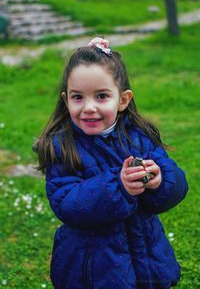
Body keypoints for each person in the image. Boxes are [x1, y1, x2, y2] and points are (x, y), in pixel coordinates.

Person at [34, 37, 188, 289]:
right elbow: (67, 204)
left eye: (102, 96)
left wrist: (160, 181)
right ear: (66, 100)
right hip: (94, 266)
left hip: (146, 255)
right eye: (78, 97)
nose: (89, 107)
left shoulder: (140, 136)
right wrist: (119, 187)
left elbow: (176, 186)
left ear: (123, 100)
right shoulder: (62, 147)